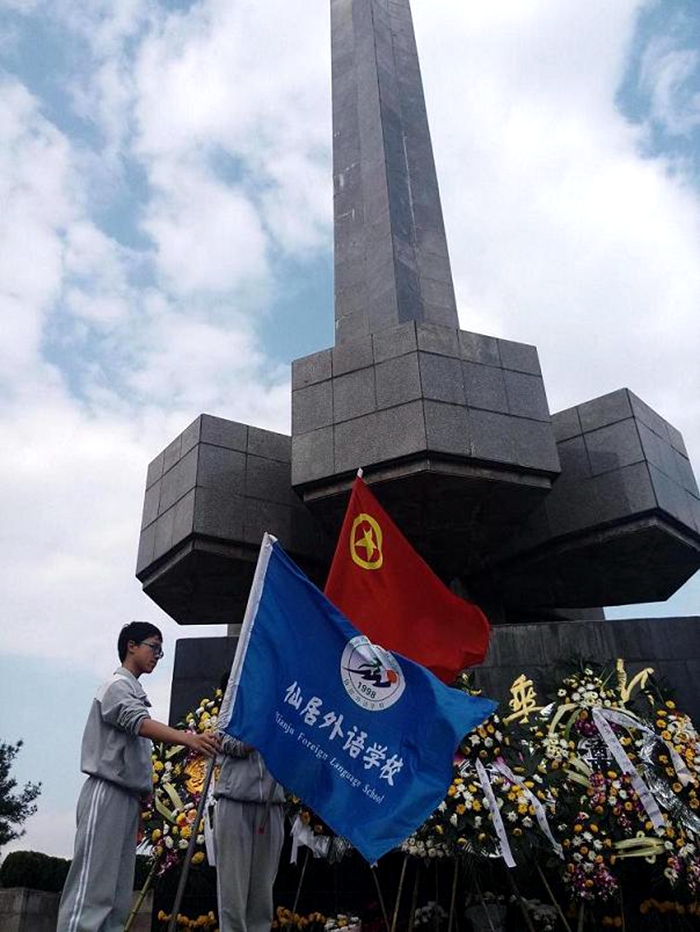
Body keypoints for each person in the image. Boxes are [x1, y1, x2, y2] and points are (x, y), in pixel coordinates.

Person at [57, 621, 220, 932]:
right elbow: (137, 723)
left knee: (116, 891)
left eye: (161, 651)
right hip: (106, 791)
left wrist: (144, 799)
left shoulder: (134, 691)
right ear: (131, 645)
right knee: (93, 884)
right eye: (153, 647)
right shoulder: (115, 686)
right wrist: (189, 738)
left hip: (127, 797)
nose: (157, 656)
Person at [213, 736, 285, 932]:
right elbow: (221, 739)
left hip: (272, 804)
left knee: (263, 896)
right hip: (234, 799)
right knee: (232, 894)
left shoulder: (290, 706)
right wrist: (259, 732)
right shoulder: (234, 703)